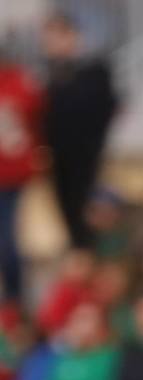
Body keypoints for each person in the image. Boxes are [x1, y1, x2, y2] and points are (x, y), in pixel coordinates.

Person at [41, 13, 118, 249]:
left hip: (86, 156)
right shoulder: (50, 74)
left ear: (71, 37)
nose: (50, 45)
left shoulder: (93, 71)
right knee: (68, 212)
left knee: (89, 212)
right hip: (59, 156)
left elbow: (101, 110)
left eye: (55, 38)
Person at [0, 50, 45, 305]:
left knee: (9, 243)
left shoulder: (21, 83)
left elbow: (37, 118)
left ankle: (14, 299)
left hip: (13, 179)